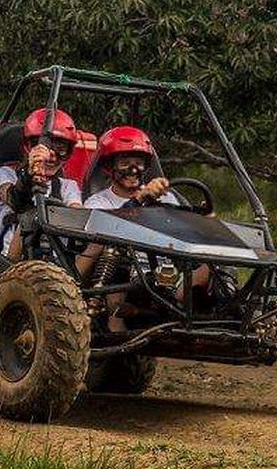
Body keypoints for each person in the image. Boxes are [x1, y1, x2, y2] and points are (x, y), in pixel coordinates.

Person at [76, 125, 211, 331]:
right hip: (126, 272)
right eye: (124, 163)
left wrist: (205, 222)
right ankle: (116, 336)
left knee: (214, 261)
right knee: (113, 256)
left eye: (138, 163)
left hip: (168, 267)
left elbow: (183, 231)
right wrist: (140, 199)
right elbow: (108, 229)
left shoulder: (167, 197)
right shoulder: (98, 202)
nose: (133, 169)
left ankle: (219, 321)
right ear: (108, 168)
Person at [0, 108, 83, 258]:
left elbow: (77, 216)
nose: (51, 158)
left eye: (60, 150)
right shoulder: (4, 175)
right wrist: (30, 174)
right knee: (31, 216)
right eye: (45, 149)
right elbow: (13, 200)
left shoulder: (67, 186)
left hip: (56, 262)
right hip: (10, 262)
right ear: (29, 148)